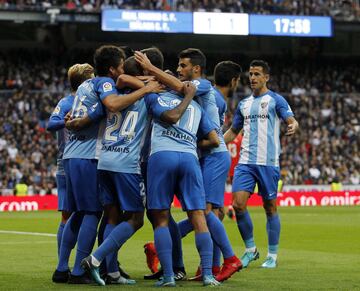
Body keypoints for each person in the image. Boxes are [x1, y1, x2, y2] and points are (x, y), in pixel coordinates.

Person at [135, 49, 242, 282]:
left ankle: (229, 258)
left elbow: (183, 90)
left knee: (202, 212)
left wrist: (150, 70)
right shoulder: (202, 102)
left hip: (212, 153)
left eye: (183, 66)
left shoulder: (200, 85)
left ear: (196, 69)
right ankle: (210, 268)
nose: (178, 70)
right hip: (198, 154)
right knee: (205, 212)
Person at [224, 60, 299, 268]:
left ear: (266, 77)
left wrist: (293, 125)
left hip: (268, 162)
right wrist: (216, 142)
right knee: (238, 204)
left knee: (270, 208)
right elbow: (233, 131)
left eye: (257, 74)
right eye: (251, 74)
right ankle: (251, 250)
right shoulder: (244, 104)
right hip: (246, 162)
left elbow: (291, 119)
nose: (253, 78)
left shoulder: (276, 100)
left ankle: (272, 256)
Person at [49, 63, 95, 283]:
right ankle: (68, 266)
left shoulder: (73, 101)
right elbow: (51, 123)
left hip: (68, 162)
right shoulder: (69, 102)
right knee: (79, 214)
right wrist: (67, 121)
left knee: (71, 215)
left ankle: (63, 267)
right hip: (74, 163)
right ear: (86, 81)